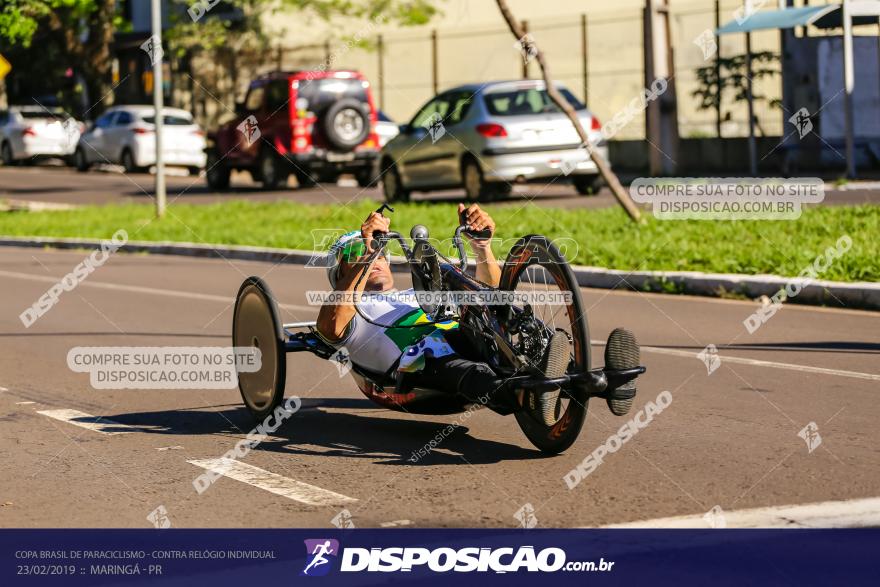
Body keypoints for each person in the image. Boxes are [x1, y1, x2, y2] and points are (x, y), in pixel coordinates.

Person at [315, 204, 567, 422]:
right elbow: (330, 327)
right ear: (340, 273)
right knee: (443, 357)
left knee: (480, 303)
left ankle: (579, 370)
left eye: (378, 252)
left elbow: (495, 296)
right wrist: (367, 252)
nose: (374, 257)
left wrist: (482, 247)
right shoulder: (354, 313)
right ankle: (525, 396)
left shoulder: (414, 292)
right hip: (420, 361)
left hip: (465, 333)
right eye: (354, 253)